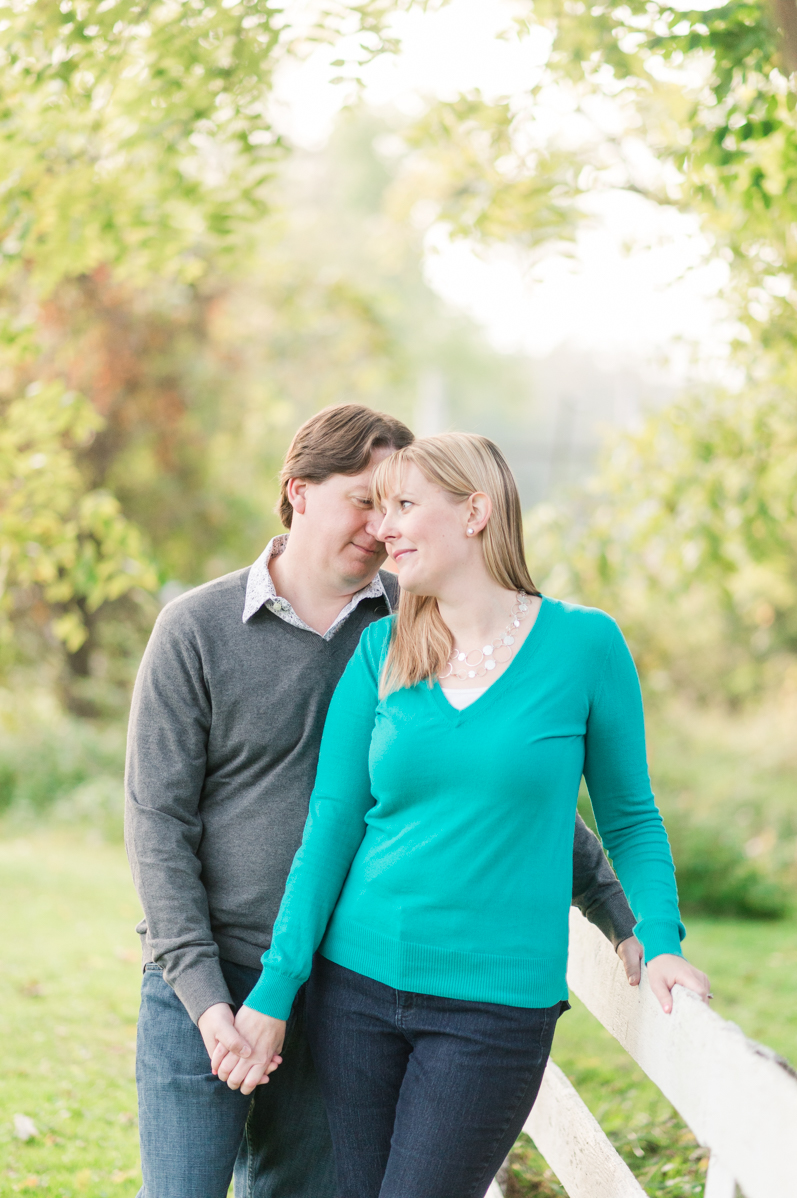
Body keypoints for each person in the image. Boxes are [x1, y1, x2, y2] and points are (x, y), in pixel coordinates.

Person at [126, 406, 642, 1198]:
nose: (382, 527)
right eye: (365, 500)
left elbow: (504, 790)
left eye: (400, 505)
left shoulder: (421, 628)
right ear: (298, 491)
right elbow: (157, 829)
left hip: (334, 987)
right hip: (204, 978)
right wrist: (203, 1001)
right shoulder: (194, 631)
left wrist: (618, 909)